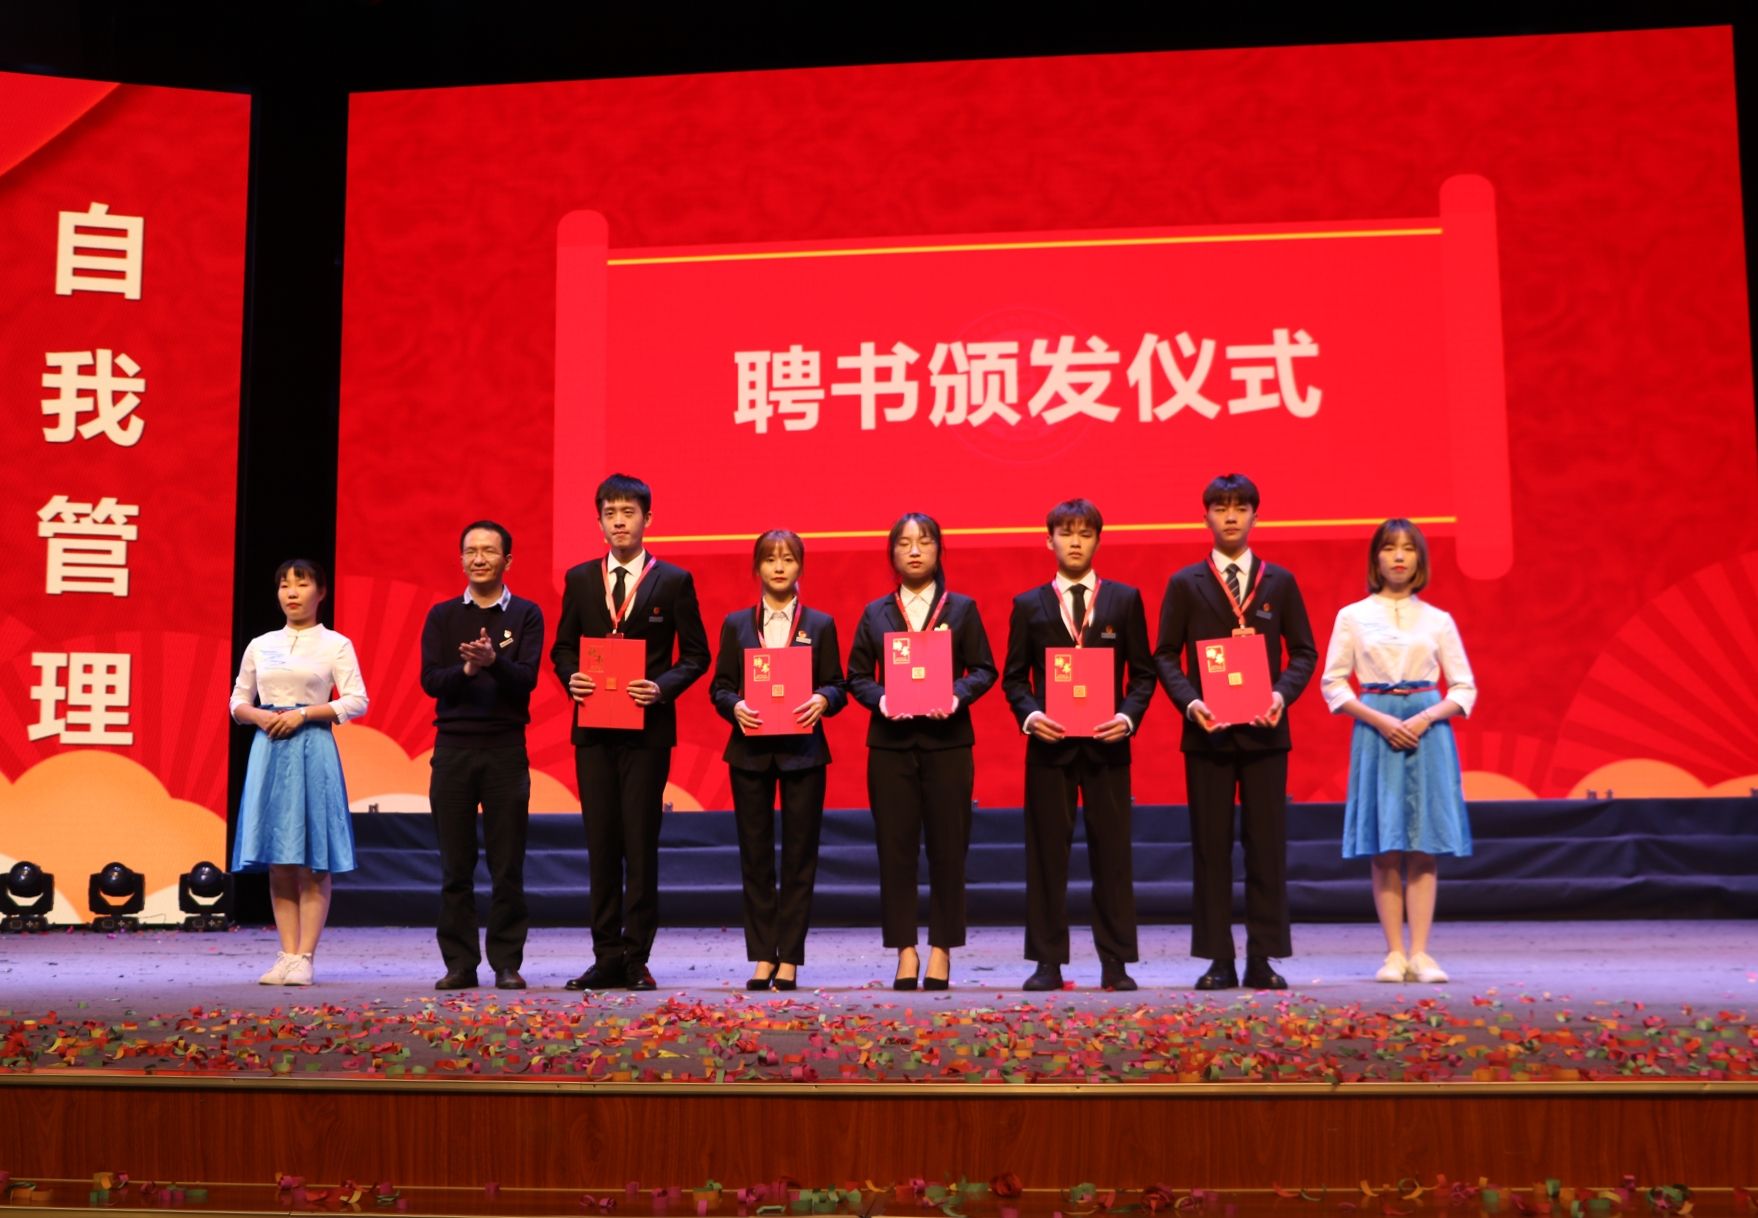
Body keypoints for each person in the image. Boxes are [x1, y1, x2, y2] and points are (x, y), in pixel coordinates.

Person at [1154, 474, 1316, 991]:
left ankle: (1262, 957)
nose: (1230, 516)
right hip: (1208, 734)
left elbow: (1304, 652)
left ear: (1255, 516)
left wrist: (1280, 695)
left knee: (1266, 847)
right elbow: (1165, 655)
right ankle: (1218, 958)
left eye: (1240, 507)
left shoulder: (1279, 581)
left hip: (1267, 733)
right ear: (1205, 515)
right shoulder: (1186, 583)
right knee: (1211, 848)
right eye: (1221, 507)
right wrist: (1191, 702)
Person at [551, 473, 710, 992]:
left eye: (629, 512)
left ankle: (636, 957)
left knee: (640, 846)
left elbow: (697, 656)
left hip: (647, 732)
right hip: (594, 731)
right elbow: (563, 648)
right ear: (599, 522)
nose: (619, 521)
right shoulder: (580, 579)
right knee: (601, 846)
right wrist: (571, 676)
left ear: (648, 519)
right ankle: (605, 956)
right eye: (610, 513)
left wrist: (661, 688)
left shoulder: (674, 581)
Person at [1002, 498, 1155, 991]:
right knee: (1047, 856)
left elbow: (1143, 675)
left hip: (1108, 746)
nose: (1075, 542)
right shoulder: (1029, 604)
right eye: (1066, 533)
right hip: (1051, 746)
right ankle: (1047, 962)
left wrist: (1126, 718)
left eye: (1085, 534)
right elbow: (1014, 679)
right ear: (1048, 541)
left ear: (1097, 541)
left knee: (1113, 856)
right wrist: (1031, 717)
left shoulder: (1123, 600)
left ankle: (1116, 962)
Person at [1320, 518, 1476, 984]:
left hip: (1428, 730)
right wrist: (1382, 720)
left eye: (1408, 548)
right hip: (1378, 729)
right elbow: (1333, 683)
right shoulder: (1352, 616)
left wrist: (1426, 717)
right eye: (1390, 548)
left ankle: (1422, 953)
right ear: (1376, 558)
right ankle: (1393, 953)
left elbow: (1464, 687)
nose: (1399, 556)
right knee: (1385, 845)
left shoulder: (1438, 620)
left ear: (1419, 559)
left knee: (1424, 845)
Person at [846, 512, 997, 991]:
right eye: (905, 543)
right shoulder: (876, 612)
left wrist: (955, 696)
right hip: (890, 747)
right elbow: (856, 676)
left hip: (947, 743)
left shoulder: (962, 609)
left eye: (925, 542)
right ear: (892, 553)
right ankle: (905, 950)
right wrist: (882, 700)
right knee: (895, 851)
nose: (914, 550)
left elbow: (984, 669)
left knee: (949, 850)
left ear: (938, 551)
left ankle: (942, 949)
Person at [709, 530, 847, 990]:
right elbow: (720, 687)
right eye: (770, 559)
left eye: (788, 558)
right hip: (750, 752)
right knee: (755, 857)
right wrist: (735, 706)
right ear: (758, 568)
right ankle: (762, 955)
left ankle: (790, 957)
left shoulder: (820, 624)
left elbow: (838, 685)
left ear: (800, 566)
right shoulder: (737, 624)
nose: (780, 567)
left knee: (800, 858)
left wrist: (824, 699)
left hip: (803, 753)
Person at [419, 520, 545, 991]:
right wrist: (467, 669)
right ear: (461, 559)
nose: (479, 558)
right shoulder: (442, 615)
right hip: (453, 751)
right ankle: (460, 963)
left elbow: (527, 679)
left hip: (505, 751)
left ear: (507, 560)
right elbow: (431, 681)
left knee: (507, 865)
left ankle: (507, 962)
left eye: (489, 551)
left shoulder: (526, 614)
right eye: (471, 551)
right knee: (455, 866)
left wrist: (495, 662)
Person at [229, 559, 369, 986]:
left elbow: (356, 700)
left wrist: (305, 714)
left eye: (302, 584)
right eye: (284, 585)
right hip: (269, 749)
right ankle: (286, 955)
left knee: (312, 861)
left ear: (320, 592)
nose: (291, 592)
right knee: (280, 860)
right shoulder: (261, 644)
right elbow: (237, 701)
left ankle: (305, 956)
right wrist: (259, 715)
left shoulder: (335, 644)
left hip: (313, 747)